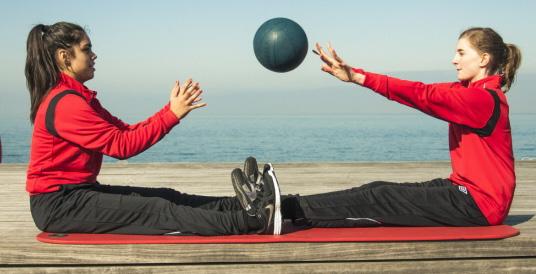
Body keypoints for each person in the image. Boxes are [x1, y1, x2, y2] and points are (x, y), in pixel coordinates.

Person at [232, 27, 522, 228]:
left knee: (377, 200)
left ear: (484, 59)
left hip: (479, 205)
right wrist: (356, 75)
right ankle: (281, 204)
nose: (453, 59)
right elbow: (421, 90)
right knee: (378, 189)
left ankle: (281, 211)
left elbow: (422, 94)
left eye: (461, 52)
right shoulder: (472, 94)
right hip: (465, 192)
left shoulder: (481, 99)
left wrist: (359, 78)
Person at [25, 22, 281, 236]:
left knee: (168, 196)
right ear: (64, 56)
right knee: (159, 210)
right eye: (86, 49)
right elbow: (122, 146)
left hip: (77, 194)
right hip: (59, 206)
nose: (94, 55)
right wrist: (171, 115)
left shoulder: (78, 98)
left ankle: (242, 205)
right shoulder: (66, 104)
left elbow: (125, 132)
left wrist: (170, 110)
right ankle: (255, 221)